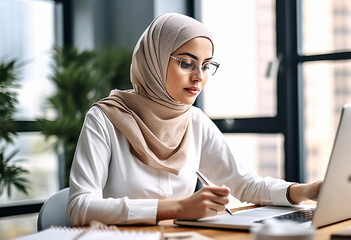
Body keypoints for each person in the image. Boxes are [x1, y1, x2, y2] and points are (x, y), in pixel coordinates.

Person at [66, 13, 322, 226]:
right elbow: (80, 206)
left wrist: (304, 191)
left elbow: (244, 183)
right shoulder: (105, 118)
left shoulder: (194, 121)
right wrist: (177, 207)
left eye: (206, 65)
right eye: (187, 63)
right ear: (154, 61)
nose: (199, 76)